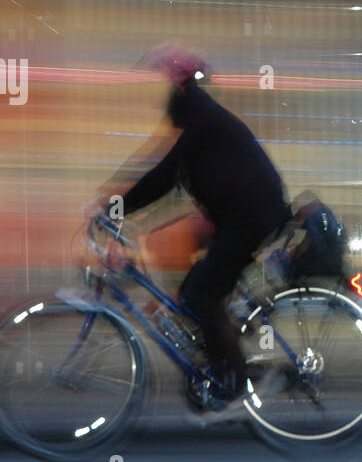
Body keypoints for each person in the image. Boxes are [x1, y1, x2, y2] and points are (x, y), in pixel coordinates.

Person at [85, 43, 291, 413]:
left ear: (178, 88)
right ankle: (220, 360)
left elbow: (162, 174)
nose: (159, 101)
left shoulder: (200, 122)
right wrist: (124, 213)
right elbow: (171, 183)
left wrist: (112, 207)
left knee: (200, 294)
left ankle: (236, 380)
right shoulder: (202, 122)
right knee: (196, 287)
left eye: (163, 87)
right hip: (242, 216)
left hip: (251, 218)